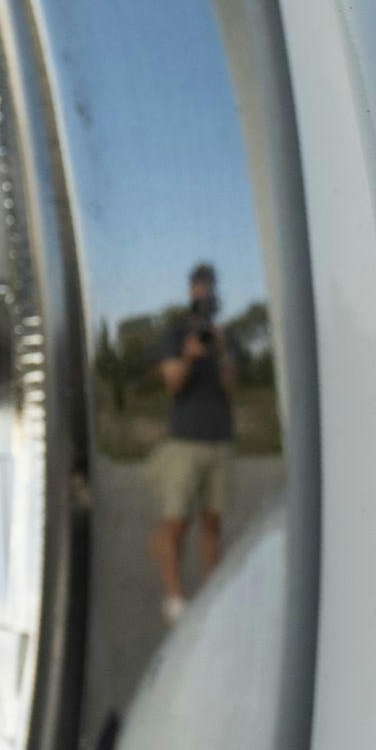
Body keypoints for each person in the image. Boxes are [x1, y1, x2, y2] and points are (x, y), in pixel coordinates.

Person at [152, 262, 235, 623]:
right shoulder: (175, 332)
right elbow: (173, 385)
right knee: (177, 523)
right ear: (190, 290)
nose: (204, 291)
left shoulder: (223, 336)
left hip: (219, 439)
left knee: (213, 523)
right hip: (184, 441)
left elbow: (232, 388)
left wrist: (221, 352)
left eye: (209, 285)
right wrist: (189, 354)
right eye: (199, 285)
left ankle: (214, 591)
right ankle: (174, 597)